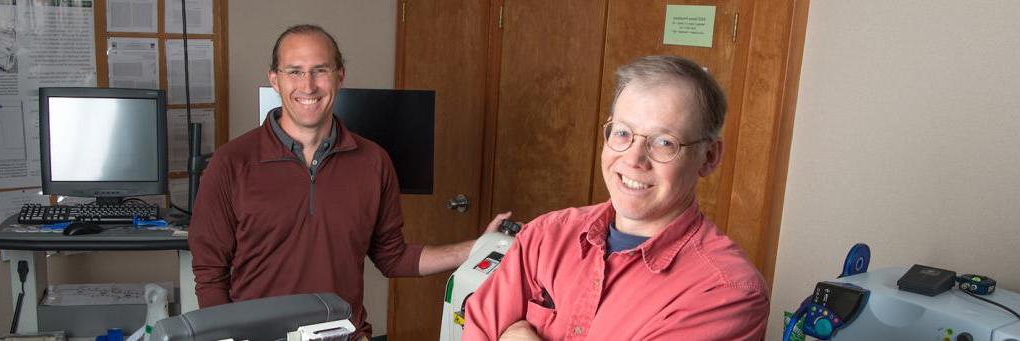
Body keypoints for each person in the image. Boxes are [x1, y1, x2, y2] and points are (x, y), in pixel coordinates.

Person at [188, 24, 507, 339]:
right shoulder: (231, 162)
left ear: (340, 76)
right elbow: (210, 274)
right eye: (294, 71)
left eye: (320, 70)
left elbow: (392, 257)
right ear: (275, 79)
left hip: (344, 335)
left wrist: (481, 247)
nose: (308, 85)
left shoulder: (373, 161)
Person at [462, 55, 769, 340]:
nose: (634, 159)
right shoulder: (545, 236)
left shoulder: (725, 291)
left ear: (709, 157)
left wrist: (517, 334)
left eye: (664, 142)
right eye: (623, 133)